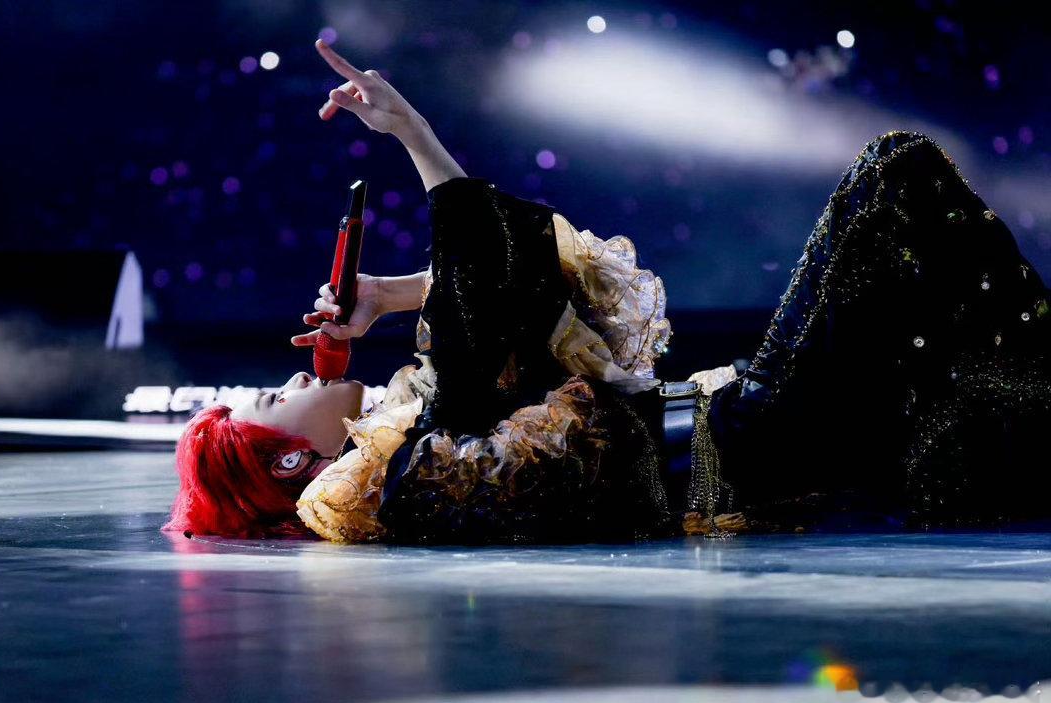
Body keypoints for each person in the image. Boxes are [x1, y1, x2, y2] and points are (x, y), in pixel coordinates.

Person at [164, 39, 1051, 543]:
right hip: (749, 443)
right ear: (287, 462)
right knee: (893, 179)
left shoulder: (401, 443)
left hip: (747, 423)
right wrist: (415, 136)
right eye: (272, 400)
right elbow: (488, 320)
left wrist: (391, 295)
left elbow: (526, 311)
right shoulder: (400, 482)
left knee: (916, 276)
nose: (291, 379)